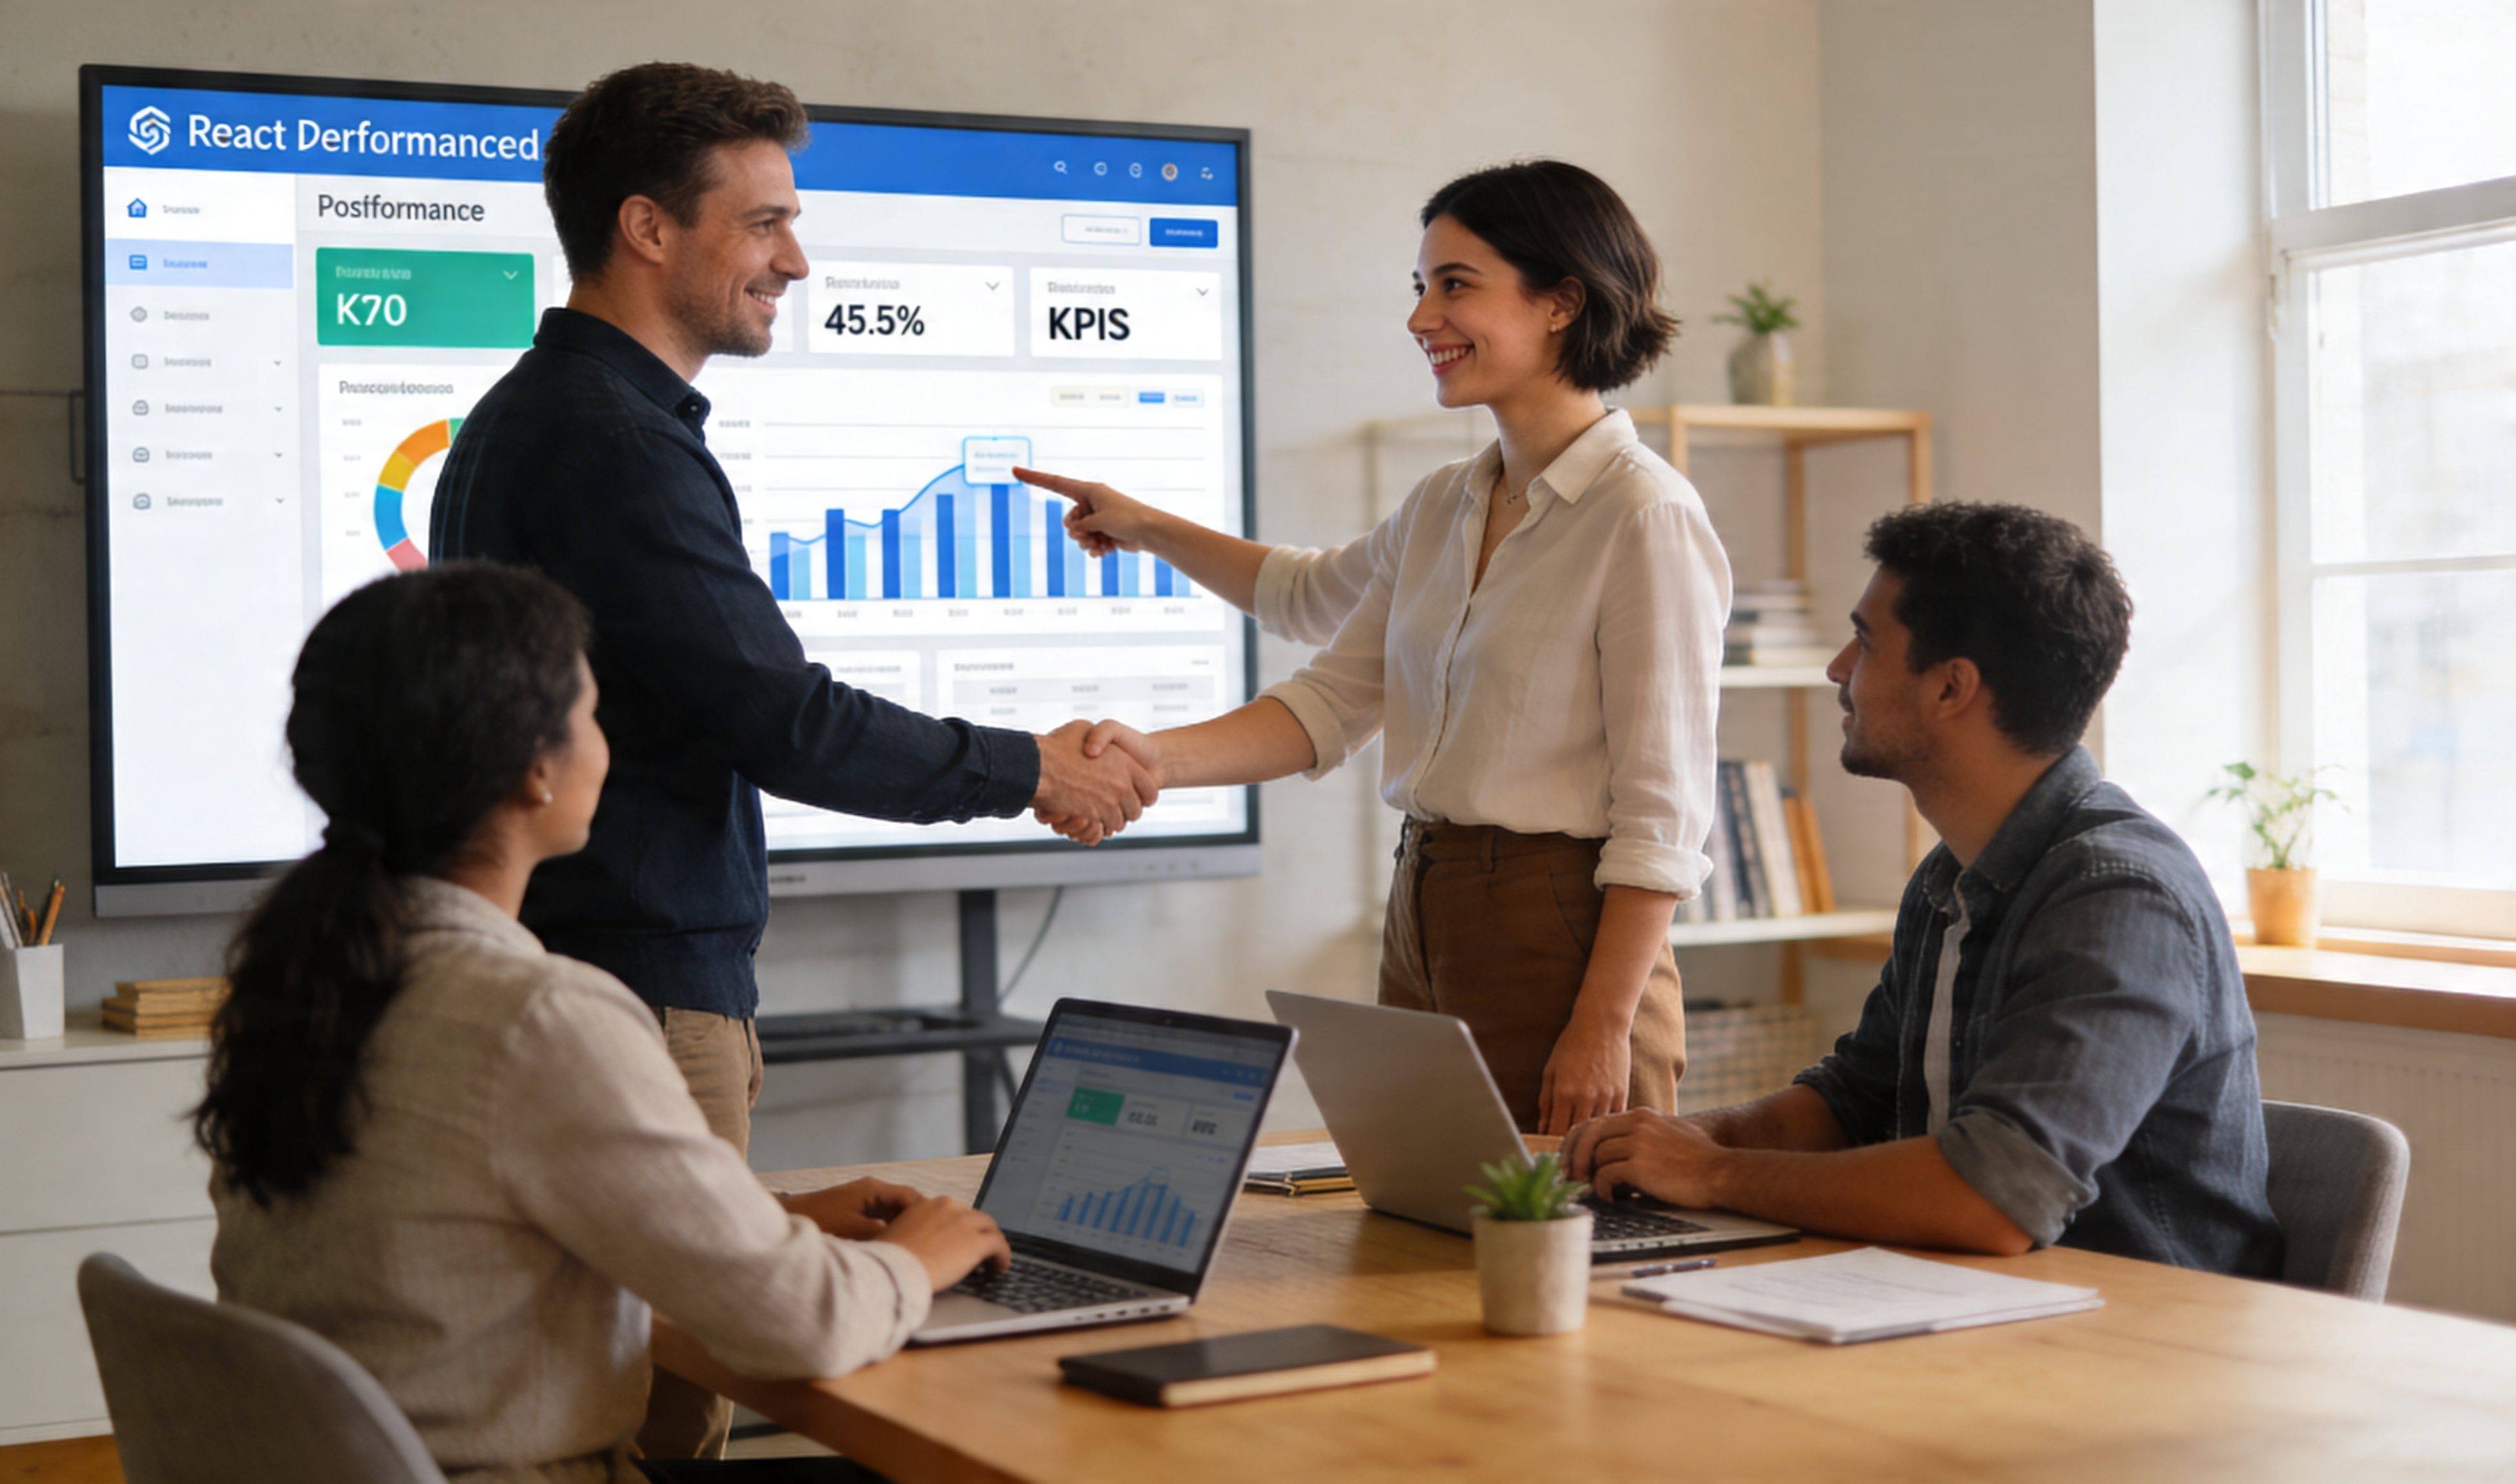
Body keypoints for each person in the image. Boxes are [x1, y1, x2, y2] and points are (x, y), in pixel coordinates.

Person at [426, 64, 1147, 1454]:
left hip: (608, 965)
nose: (795, 260)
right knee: (653, 1427)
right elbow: (773, 712)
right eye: (762, 224)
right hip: (642, 988)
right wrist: (1031, 767)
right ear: (646, 229)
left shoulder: (524, 420)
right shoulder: (610, 443)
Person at [196, 564, 1011, 1484]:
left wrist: (766, 1221)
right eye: (593, 714)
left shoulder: (315, 973)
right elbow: (807, 1326)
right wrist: (921, 1258)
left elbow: (455, 1228)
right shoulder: (538, 1015)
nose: (606, 743)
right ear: (535, 770)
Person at [1017, 160, 1729, 1134]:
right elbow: (1323, 679)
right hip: (1427, 904)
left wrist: (1604, 1027)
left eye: (1456, 285)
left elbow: (1664, 814)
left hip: (1562, 930)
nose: (1421, 318)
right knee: (1421, 1226)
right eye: (1421, 287)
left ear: (1562, 302)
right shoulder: (1446, 502)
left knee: (1552, 1253)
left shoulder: (1645, 516)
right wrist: (1144, 757)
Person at [1563, 504, 2283, 1275]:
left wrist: (1712, 1176)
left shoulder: (2118, 897)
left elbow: (1995, 1198)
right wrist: (1684, 1144)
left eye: (1866, 642)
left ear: (1950, 689)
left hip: (2140, 1345)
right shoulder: (1952, 874)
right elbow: (1853, 1102)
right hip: (1976, 1303)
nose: (1837, 668)